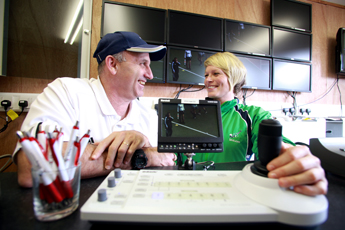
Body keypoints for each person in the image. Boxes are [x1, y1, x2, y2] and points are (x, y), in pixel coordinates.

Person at [13, 31, 176, 187]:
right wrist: (140, 156)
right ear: (112, 64)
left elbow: (168, 158)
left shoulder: (147, 114)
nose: (150, 74)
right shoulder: (65, 92)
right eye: (142, 64)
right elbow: (31, 165)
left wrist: (145, 147)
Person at [184, 52, 328, 196]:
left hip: (232, 191)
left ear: (234, 77)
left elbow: (276, 147)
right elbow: (174, 152)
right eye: (206, 75)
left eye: (215, 73)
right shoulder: (191, 113)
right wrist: (162, 153)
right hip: (188, 189)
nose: (208, 80)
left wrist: (292, 158)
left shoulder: (253, 115)